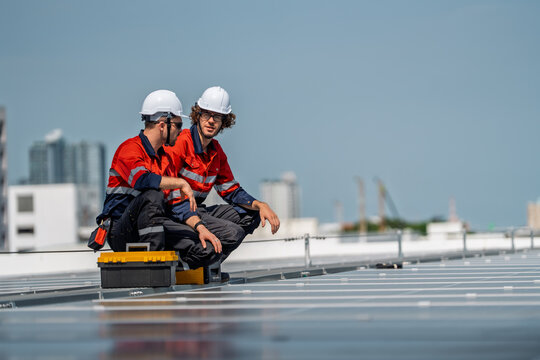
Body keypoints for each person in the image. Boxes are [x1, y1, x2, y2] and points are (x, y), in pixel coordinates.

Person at [167, 86, 280, 272]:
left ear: (223, 122)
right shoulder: (181, 143)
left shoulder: (216, 152)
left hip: (198, 211)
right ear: (197, 115)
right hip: (177, 213)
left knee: (251, 215)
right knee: (232, 233)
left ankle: (207, 264)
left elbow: (231, 191)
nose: (211, 121)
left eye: (217, 117)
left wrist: (260, 204)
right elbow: (166, 191)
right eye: (206, 115)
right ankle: (188, 265)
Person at [96, 89, 197, 253]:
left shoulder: (163, 157)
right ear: (163, 125)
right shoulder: (129, 149)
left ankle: (172, 262)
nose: (181, 131)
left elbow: (174, 202)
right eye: (178, 125)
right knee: (152, 194)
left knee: (193, 239)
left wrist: (198, 226)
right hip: (121, 231)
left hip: (147, 225)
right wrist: (181, 182)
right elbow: (142, 180)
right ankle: (154, 259)